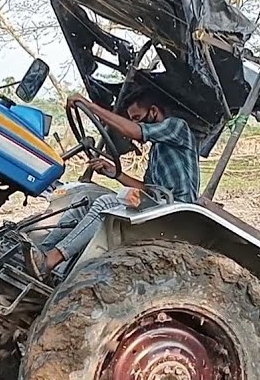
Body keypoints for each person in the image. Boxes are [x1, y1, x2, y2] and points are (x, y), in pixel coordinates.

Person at [25, 86, 200, 277]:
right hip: (158, 204)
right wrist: (115, 173)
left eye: (137, 117)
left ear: (154, 112)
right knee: (86, 199)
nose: (134, 123)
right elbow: (146, 189)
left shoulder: (177, 127)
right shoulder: (157, 150)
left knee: (107, 203)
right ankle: (41, 252)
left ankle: (52, 259)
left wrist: (90, 106)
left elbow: (135, 132)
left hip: (177, 210)